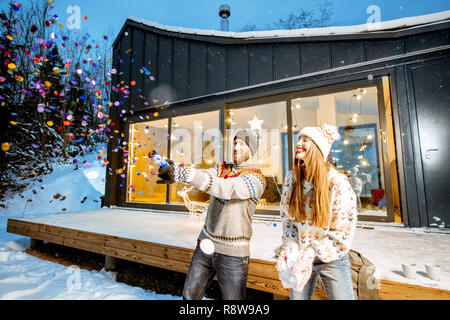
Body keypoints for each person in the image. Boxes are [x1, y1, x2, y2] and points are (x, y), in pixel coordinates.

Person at [156, 129, 266, 300]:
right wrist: (175, 169)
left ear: (252, 149)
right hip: (205, 244)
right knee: (189, 296)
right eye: (235, 142)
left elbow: (224, 188)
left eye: (242, 144)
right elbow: (206, 176)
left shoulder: (256, 179)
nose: (236, 147)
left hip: (233, 255)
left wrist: (183, 173)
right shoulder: (222, 168)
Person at [276, 124, 357, 300]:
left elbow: (343, 231)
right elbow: (287, 219)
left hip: (331, 257)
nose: (299, 142)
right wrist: (291, 245)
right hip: (299, 254)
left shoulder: (337, 182)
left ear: (318, 148)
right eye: (299, 139)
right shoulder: (292, 179)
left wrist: (312, 251)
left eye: (305, 139)